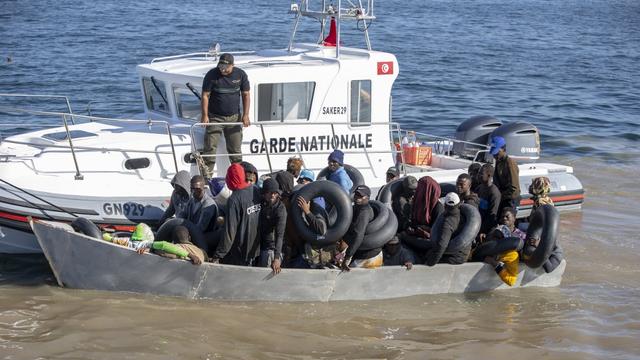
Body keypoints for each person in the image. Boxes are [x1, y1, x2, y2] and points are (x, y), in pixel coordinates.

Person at [200, 53, 250, 178]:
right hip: (215, 117)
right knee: (209, 150)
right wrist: (205, 115)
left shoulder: (240, 74)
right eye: (220, 65)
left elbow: (246, 94)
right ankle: (206, 179)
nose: (222, 69)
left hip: (234, 118)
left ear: (232, 65)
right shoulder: (211, 75)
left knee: (236, 152)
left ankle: (239, 179)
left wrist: (246, 115)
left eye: (225, 66)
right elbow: (205, 95)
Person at [210, 163, 262, 265]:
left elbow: (230, 232)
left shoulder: (234, 199)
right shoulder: (256, 190)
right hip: (256, 249)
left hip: (240, 253)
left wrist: (218, 255)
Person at [425, 192, 469, 266]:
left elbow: (442, 245)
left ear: (445, 205)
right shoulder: (462, 215)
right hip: (464, 252)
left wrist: (431, 262)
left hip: (455, 257)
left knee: (427, 255)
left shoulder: (448, 222)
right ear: (458, 204)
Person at [342, 185, 380, 270]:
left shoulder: (364, 212)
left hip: (368, 255)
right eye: (356, 195)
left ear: (367, 198)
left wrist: (347, 257)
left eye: (361, 196)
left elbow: (358, 235)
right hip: (360, 253)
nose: (357, 198)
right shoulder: (356, 208)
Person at [178, 175, 219, 252]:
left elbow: (201, 228)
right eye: (192, 189)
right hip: (193, 233)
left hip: (205, 237)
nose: (194, 191)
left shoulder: (208, 205)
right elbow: (182, 214)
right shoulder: (192, 200)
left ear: (203, 188)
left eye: (197, 189)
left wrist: (186, 234)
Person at [258, 178, 287, 274]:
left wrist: (277, 257)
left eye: (275, 192)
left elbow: (280, 235)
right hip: (259, 246)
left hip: (271, 250)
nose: (272, 195)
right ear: (264, 193)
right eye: (269, 192)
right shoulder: (261, 203)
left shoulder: (281, 210)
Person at [490, 136, 520, 217]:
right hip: (502, 197)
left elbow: (514, 188)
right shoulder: (498, 161)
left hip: (510, 199)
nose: (494, 156)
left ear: (503, 149)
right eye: (494, 153)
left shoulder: (510, 163)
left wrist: (501, 196)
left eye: (497, 153)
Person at [476, 163, 501, 235]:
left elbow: (492, 216)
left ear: (489, 175)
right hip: (477, 223)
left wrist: (481, 230)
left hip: (485, 230)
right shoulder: (479, 188)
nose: (478, 175)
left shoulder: (494, 193)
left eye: (481, 173)